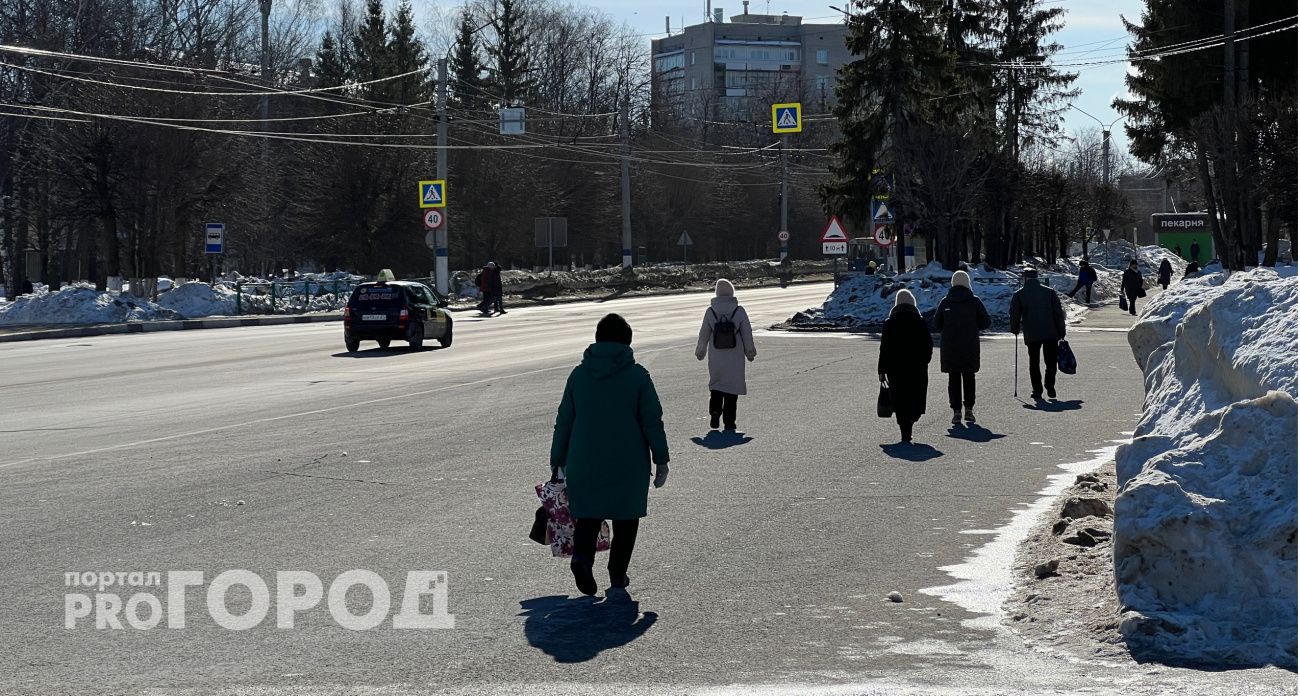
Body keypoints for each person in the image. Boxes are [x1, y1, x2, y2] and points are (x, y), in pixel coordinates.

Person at [551, 314, 670, 596]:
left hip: (584, 459)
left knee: (588, 515)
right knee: (627, 518)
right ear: (627, 342)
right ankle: (617, 574)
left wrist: (557, 458)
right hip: (628, 462)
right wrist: (661, 458)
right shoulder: (638, 376)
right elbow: (652, 420)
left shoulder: (578, 375)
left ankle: (583, 558)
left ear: (597, 340)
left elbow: (564, 419)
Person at [695, 279, 757, 431]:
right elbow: (747, 334)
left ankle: (715, 412)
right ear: (732, 292)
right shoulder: (739, 311)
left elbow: (703, 334)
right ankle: (729, 422)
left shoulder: (710, 312)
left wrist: (701, 351)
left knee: (716, 384)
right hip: (735, 356)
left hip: (716, 356)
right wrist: (750, 352)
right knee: (732, 388)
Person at [935, 271, 991, 424]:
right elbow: (986, 322)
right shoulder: (974, 301)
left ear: (953, 283)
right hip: (969, 345)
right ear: (967, 283)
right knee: (969, 376)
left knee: (953, 378)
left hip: (950, 346)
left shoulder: (945, 302)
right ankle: (969, 409)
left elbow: (936, 324)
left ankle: (956, 411)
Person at [878, 289, 933, 443]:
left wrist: (882, 370)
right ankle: (912, 419)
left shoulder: (889, 323)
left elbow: (884, 348)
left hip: (895, 369)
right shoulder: (920, 321)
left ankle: (904, 430)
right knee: (916, 395)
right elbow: (928, 345)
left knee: (900, 398)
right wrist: (925, 360)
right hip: (917, 367)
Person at [1009, 268, 1066, 401]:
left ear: (1025, 278)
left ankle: (1037, 390)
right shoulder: (1049, 292)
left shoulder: (1020, 294)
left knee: (1034, 362)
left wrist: (1015, 329)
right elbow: (1058, 313)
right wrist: (1061, 331)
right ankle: (1049, 384)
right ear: (1037, 277)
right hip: (1051, 332)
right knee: (1050, 361)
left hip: (1032, 332)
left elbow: (1014, 314)